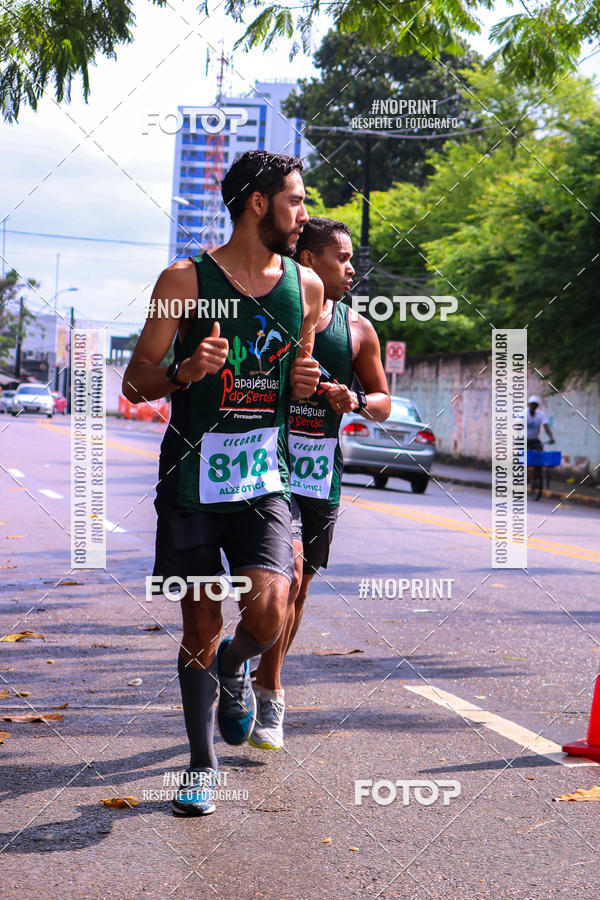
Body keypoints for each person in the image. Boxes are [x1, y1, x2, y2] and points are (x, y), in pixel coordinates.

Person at [122, 150, 323, 816]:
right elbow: (135, 380)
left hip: (263, 476)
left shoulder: (307, 288)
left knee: (268, 610)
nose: (304, 214)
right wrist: (186, 370)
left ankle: (239, 665)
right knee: (200, 620)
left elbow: (299, 375)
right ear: (259, 203)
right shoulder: (184, 281)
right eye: (295, 200)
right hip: (190, 479)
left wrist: (308, 384)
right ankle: (201, 766)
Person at [250, 217, 391, 750]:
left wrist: (352, 400)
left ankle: (256, 665)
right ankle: (272, 692)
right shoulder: (274, 313)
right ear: (308, 260)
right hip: (267, 467)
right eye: (342, 258)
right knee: (283, 573)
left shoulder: (358, 329)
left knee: (301, 586)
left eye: (352, 259)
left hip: (319, 474)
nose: (352, 268)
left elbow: (382, 400)